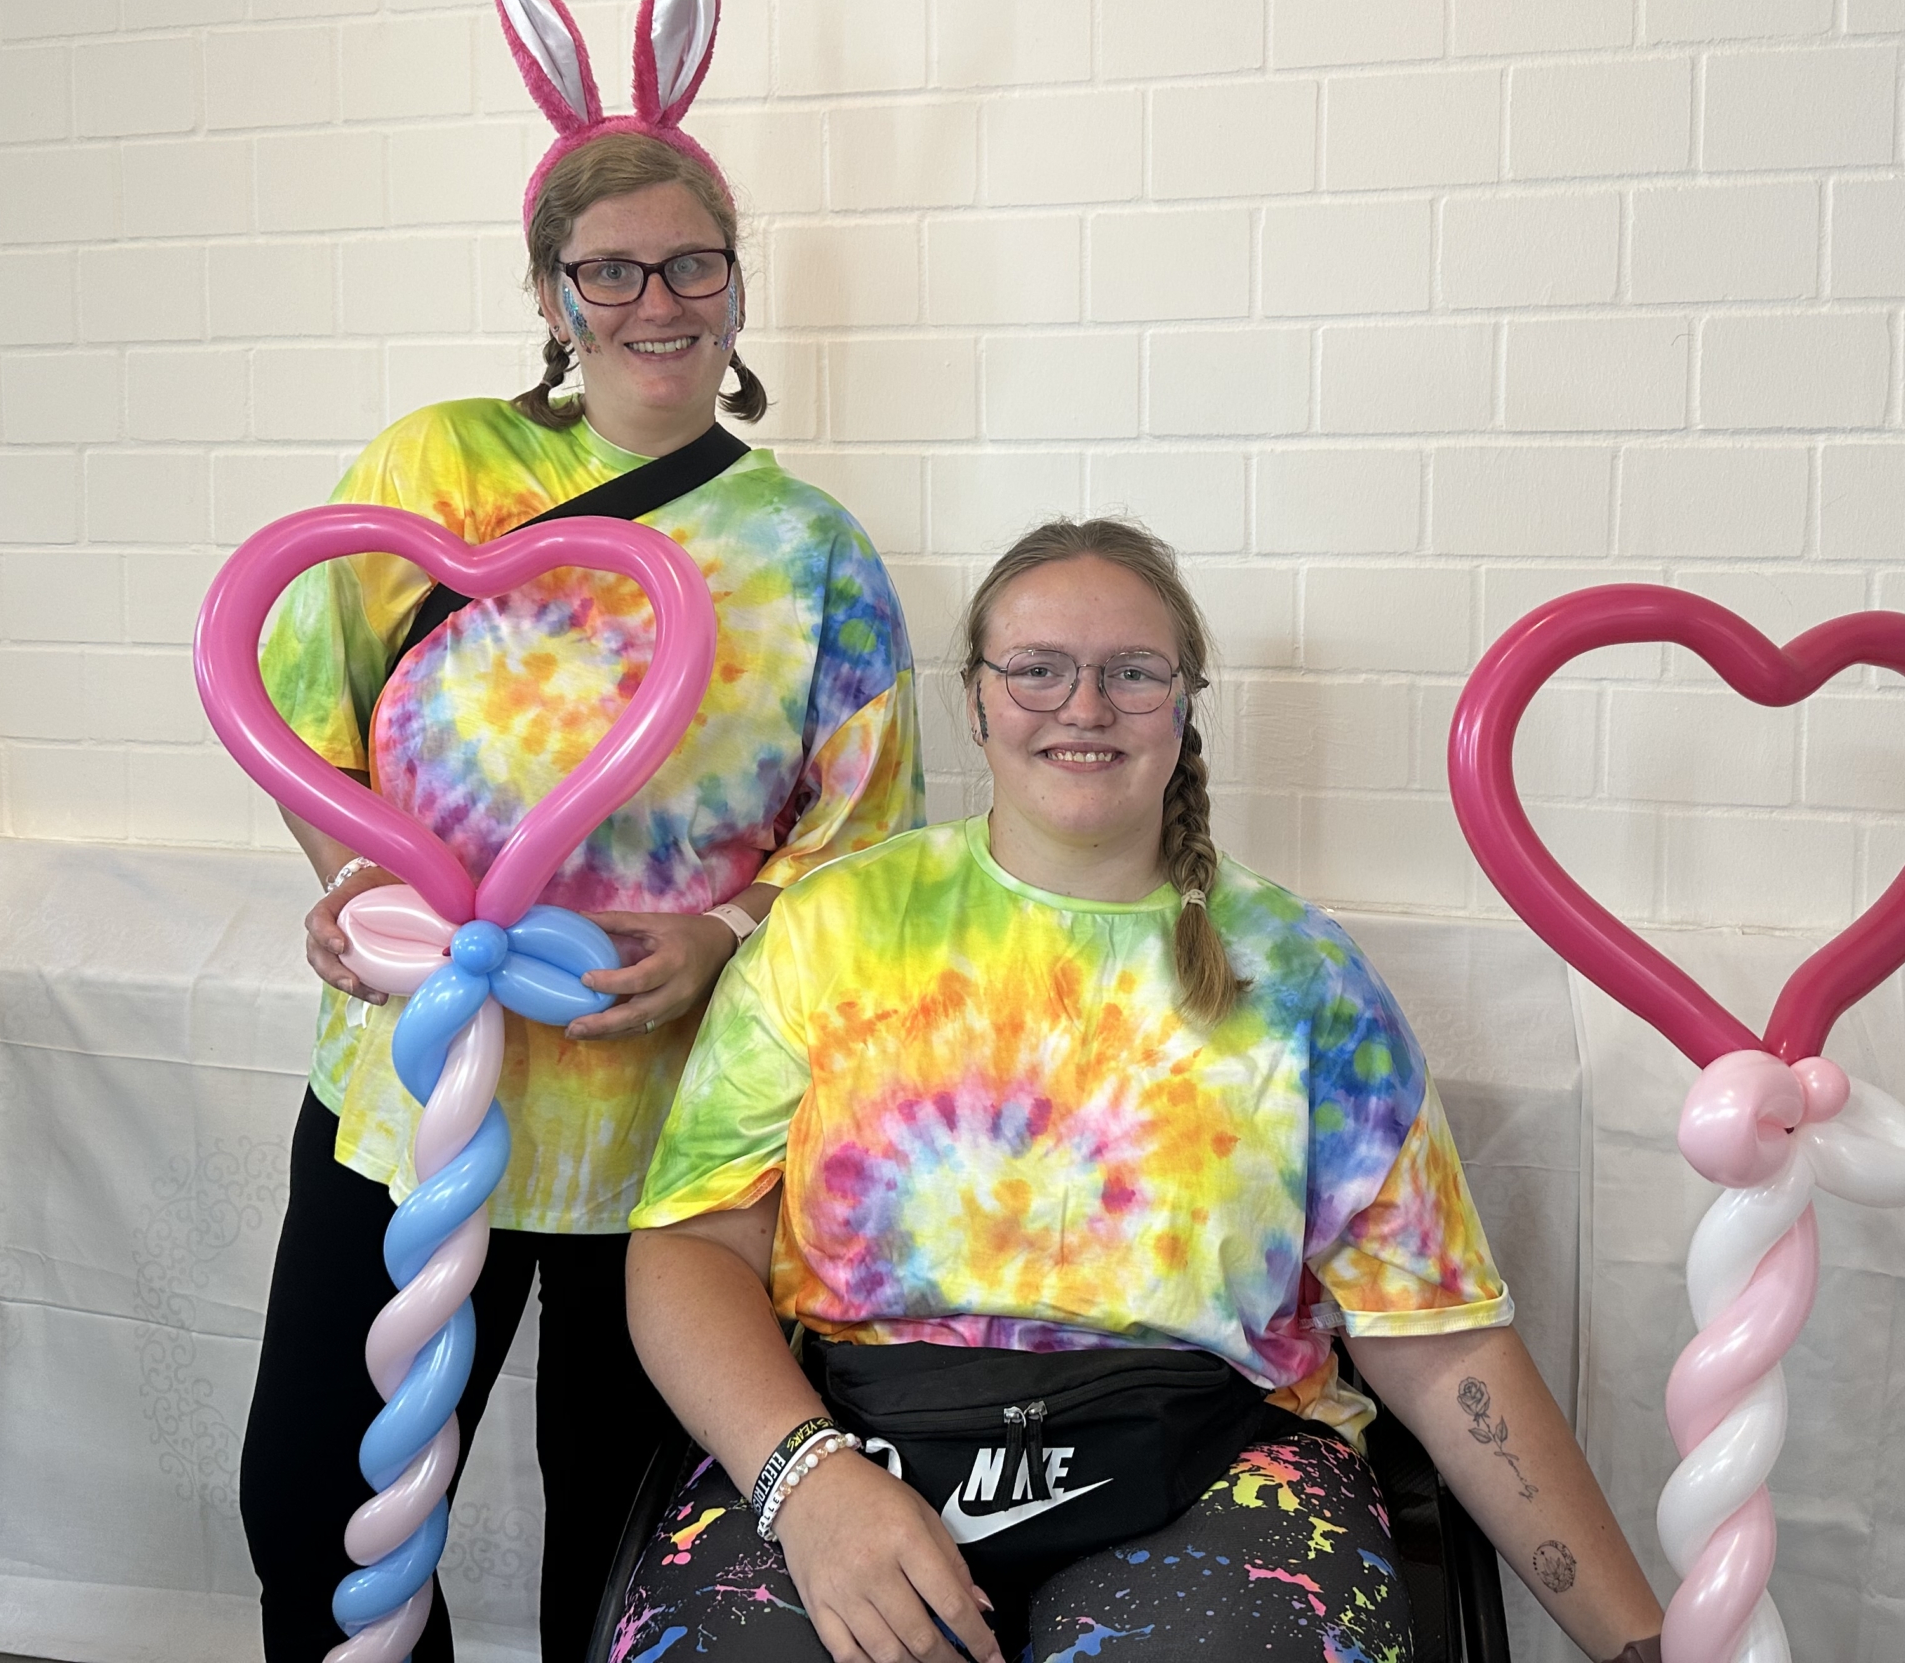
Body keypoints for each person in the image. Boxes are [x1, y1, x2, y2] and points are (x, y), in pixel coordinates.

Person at [612, 519, 1665, 1663]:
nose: (1084, 706)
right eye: (1037, 668)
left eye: (1131, 672)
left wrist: (1643, 1646)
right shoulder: (831, 929)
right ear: (975, 702)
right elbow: (693, 1246)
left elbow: (1441, 1342)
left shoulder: (1299, 973)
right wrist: (804, 1478)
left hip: (1218, 1467)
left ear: (1182, 705)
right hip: (853, 1441)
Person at [236, 0, 925, 1662]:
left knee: (625, 1559)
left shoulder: (812, 551)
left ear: (739, 287)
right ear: (549, 292)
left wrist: (723, 936)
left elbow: (861, 842)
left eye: (694, 263)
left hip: (667, 1139)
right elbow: (301, 711)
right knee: (313, 1504)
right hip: (415, 1085)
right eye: (609, 269)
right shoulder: (432, 469)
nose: (657, 301)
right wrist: (357, 887)